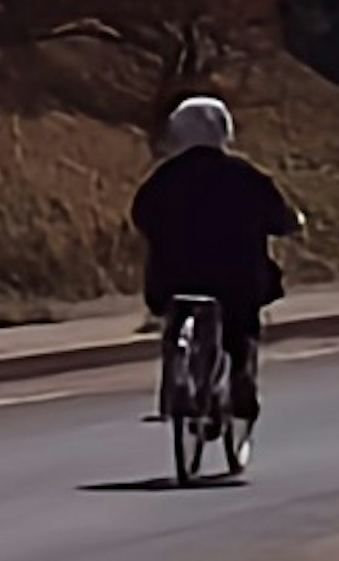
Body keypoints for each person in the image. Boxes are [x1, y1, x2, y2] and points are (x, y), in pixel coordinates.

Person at [129, 94, 300, 425]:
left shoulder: (164, 179)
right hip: (236, 277)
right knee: (242, 320)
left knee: (173, 313)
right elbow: (279, 217)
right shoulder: (246, 176)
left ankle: (176, 379)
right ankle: (242, 372)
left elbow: (142, 215)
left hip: (173, 276)